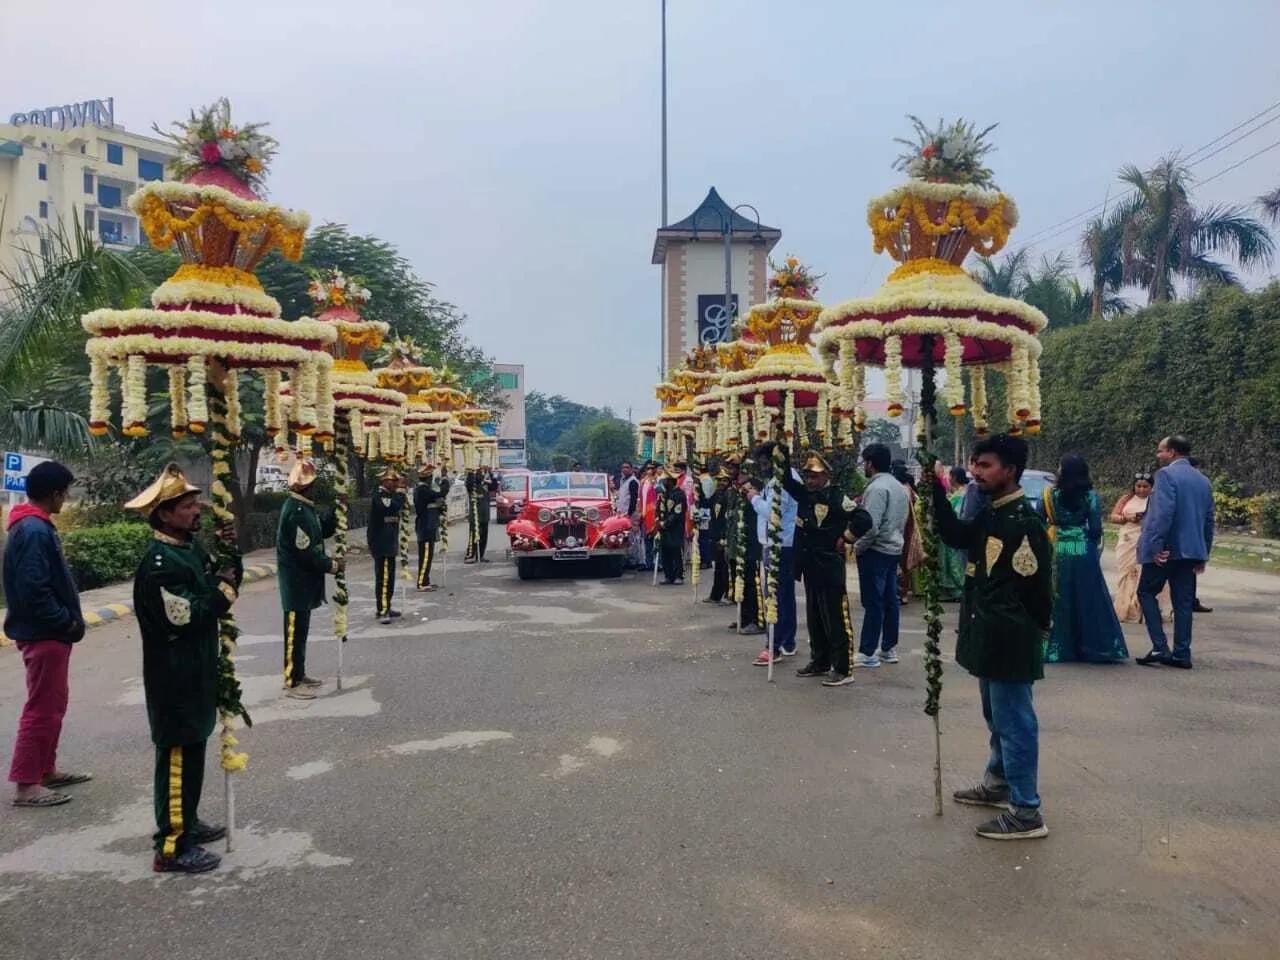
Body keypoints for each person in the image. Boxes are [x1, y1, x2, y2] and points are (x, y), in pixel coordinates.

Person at [931, 434, 1053, 840]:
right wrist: (935, 492)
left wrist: (1030, 634)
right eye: (974, 464)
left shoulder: (1024, 522)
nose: (975, 472)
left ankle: (1026, 811)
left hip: (1009, 638)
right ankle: (999, 783)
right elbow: (957, 536)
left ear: (1010, 471)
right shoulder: (991, 511)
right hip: (989, 633)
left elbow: (1038, 591)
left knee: (1016, 723)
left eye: (985, 465)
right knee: (997, 717)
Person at [129, 463, 241, 872]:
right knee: (178, 753)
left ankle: (186, 821)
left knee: (194, 747)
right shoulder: (160, 564)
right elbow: (187, 615)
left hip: (196, 667)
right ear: (164, 514)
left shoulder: (188, 549)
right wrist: (222, 588)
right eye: (189, 506)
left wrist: (230, 554)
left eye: (196, 503)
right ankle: (172, 846)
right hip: (174, 676)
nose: (198, 511)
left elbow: (224, 579)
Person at [6, 461, 88, 809]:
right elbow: (33, 589)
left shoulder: (34, 525)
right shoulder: (33, 530)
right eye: (65, 493)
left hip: (48, 632)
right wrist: (64, 622)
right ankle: (27, 784)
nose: (65, 499)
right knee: (42, 708)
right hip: (44, 634)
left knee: (54, 705)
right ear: (55, 493)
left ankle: (46, 770)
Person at [780, 451, 873, 686]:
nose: (810, 481)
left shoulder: (837, 496)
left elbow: (864, 519)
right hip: (810, 565)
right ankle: (820, 660)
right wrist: (781, 453)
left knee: (835, 618)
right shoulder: (804, 494)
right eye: (808, 476)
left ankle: (843, 668)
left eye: (815, 477)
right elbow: (786, 479)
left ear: (826, 477)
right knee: (815, 618)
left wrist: (846, 537)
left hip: (829, 565)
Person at [1136, 435, 1214, 669]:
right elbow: (1209, 520)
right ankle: (1182, 653)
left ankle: (1160, 646)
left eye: (1161, 450)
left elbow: (1162, 515)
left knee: (1146, 592)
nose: (1158, 455)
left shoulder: (1166, 475)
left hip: (1166, 550)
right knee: (1183, 602)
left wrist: (1156, 548)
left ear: (1172, 452)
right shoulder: (1203, 480)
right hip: (1191, 552)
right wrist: (1203, 553)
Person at [1041, 456, 1128, 663]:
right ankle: (1094, 647)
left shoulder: (1049, 494)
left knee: (1058, 596)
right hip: (1082, 548)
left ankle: (1057, 647)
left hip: (1057, 547)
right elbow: (1096, 528)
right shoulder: (1090, 496)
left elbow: (1039, 521)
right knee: (1088, 597)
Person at [276, 459, 341, 699]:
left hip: (304, 583)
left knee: (301, 632)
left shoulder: (305, 508)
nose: (314, 489)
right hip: (296, 583)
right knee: (294, 633)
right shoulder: (296, 512)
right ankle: (291, 681)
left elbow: (321, 531)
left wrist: (337, 512)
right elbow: (307, 553)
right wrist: (332, 566)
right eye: (312, 485)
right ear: (305, 487)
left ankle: (299, 673)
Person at [852, 443, 908, 668]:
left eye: (864, 462)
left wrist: (858, 546)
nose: (863, 467)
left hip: (875, 550)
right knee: (889, 600)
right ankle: (887, 647)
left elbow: (870, 526)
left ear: (870, 463)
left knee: (873, 602)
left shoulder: (876, 488)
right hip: (893, 548)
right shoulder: (898, 487)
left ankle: (868, 651)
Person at [745, 443, 798, 665]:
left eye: (765, 463)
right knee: (784, 595)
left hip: (780, 545)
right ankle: (787, 641)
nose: (762, 467)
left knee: (774, 596)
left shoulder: (783, 481)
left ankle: (773, 645)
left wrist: (754, 498)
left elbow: (773, 513)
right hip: (778, 543)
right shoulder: (778, 479)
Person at [1110, 472, 1170, 623]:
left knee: (1143, 573)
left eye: (1145, 486)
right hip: (1127, 540)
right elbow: (1113, 516)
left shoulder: (1156, 500)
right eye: (1138, 486)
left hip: (1147, 539)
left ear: (1152, 487)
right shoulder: (1126, 499)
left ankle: (1143, 610)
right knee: (1126, 573)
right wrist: (1126, 518)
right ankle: (1125, 608)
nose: (1141, 489)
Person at [368, 468, 405, 624]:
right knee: (383, 579)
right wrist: (401, 491)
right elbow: (393, 507)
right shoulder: (380, 496)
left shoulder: (389, 495)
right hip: (381, 544)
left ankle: (386, 606)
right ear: (385, 482)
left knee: (389, 579)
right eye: (393, 481)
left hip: (389, 543)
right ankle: (382, 610)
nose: (396, 483)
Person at [892, 462, 925, 603]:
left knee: (898, 562)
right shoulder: (909, 489)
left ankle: (899, 592)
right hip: (907, 528)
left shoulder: (898, 489)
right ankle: (903, 593)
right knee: (904, 562)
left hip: (899, 528)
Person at [414, 463, 449, 590]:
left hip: (428, 526)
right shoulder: (422, 490)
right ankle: (422, 583)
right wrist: (444, 478)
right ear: (428, 478)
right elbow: (442, 493)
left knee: (427, 556)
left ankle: (425, 580)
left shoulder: (422, 490)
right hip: (426, 527)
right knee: (425, 556)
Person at [937, 466, 969, 601]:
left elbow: (956, 513)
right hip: (955, 531)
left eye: (950, 476)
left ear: (954, 478)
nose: (948, 479)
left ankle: (957, 589)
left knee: (954, 561)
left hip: (955, 531)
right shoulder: (961, 492)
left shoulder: (961, 494)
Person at [700, 468, 732, 602]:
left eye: (724, 480)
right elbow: (706, 503)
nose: (721, 483)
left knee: (725, 568)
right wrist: (699, 489)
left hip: (725, 537)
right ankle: (715, 595)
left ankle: (729, 594)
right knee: (718, 567)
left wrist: (724, 538)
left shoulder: (730, 496)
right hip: (715, 535)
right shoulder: (717, 494)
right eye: (719, 480)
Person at [656, 469, 686, 584]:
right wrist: (658, 521)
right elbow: (658, 509)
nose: (663, 483)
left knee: (676, 552)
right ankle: (668, 576)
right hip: (663, 529)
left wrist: (666, 523)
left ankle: (679, 576)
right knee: (665, 552)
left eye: (665, 480)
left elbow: (677, 512)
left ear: (671, 481)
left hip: (675, 528)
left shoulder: (679, 494)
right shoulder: (663, 494)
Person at [615, 461, 642, 569]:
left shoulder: (633, 481)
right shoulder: (623, 480)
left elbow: (633, 499)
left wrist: (629, 514)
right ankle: (627, 559)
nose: (624, 469)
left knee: (633, 537)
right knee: (625, 537)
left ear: (631, 469)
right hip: (622, 514)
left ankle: (634, 561)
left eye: (627, 467)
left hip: (630, 513)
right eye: (623, 467)